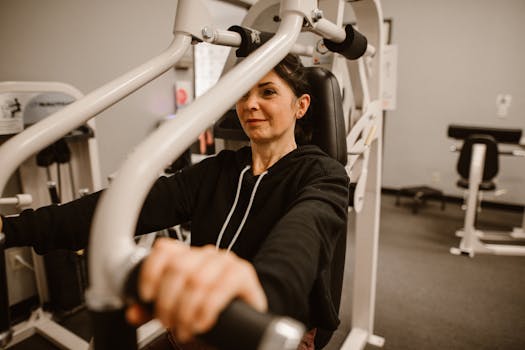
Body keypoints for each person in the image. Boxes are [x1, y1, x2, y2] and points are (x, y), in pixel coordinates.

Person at [0, 54, 349, 349]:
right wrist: (12, 228)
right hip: (197, 318)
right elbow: (119, 209)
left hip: (270, 328)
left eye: (268, 92)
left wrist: (261, 291)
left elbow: (305, 233)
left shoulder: (323, 174)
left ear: (300, 106)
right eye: (243, 95)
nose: (250, 104)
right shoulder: (217, 171)